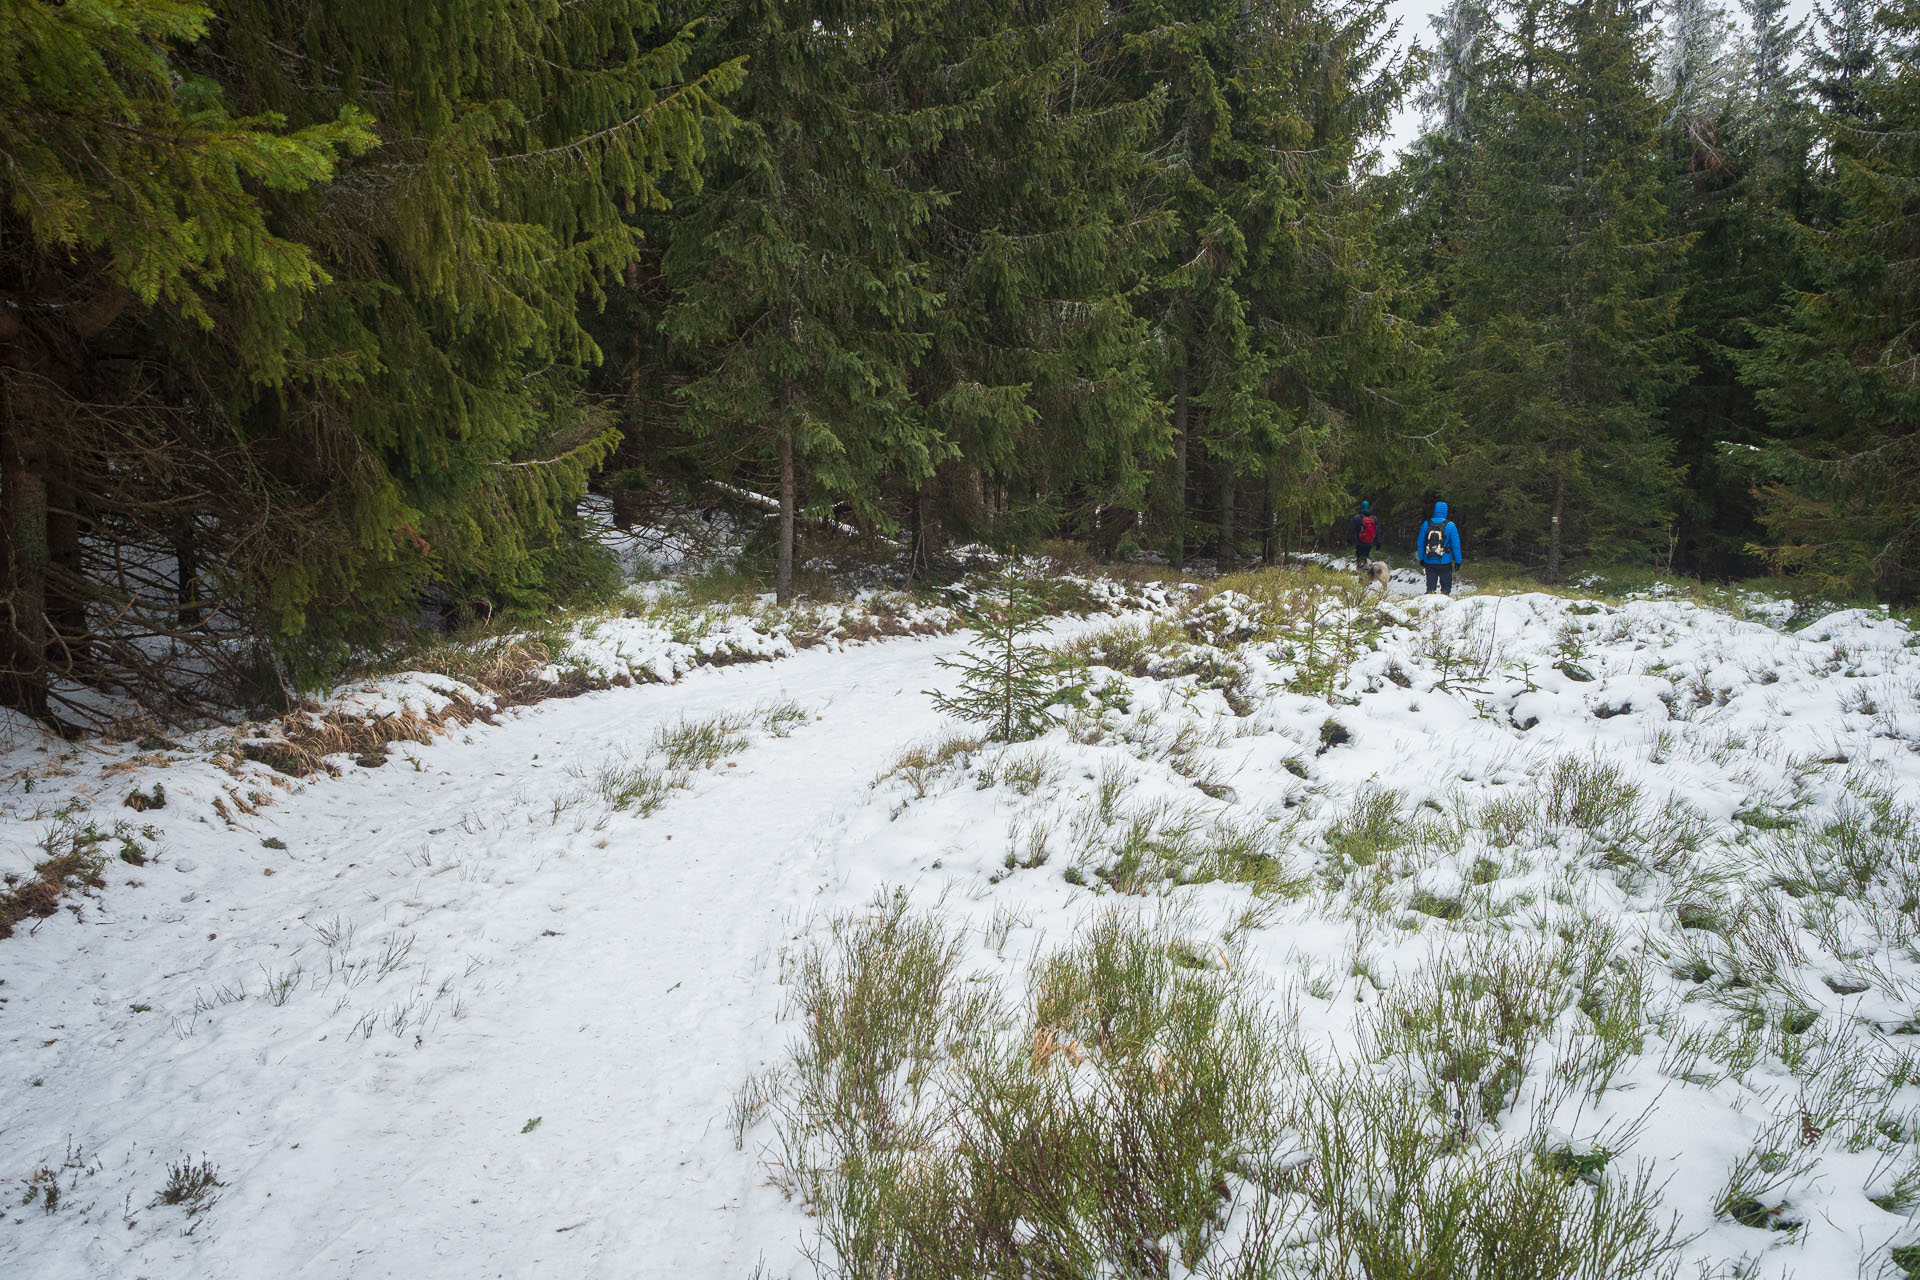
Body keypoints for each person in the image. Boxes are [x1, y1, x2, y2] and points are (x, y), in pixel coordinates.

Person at [1415, 500, 1462, 595]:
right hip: (1445, 562)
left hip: (1429, 560)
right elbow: (1456, 545)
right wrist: (1458, 561)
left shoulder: (1426, 524)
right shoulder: (1450, 525)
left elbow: (1420, 542)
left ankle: (1428, 605)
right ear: (1446, 511)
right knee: (1445, 589)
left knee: (1430, 589)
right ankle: (1444, 605)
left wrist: (1421, 558)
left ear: (1435, 510)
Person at [1347, 500, 1379, 569]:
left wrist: (1349, 539)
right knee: (1366, 558)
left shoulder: (1357, 518)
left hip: (1359, 543)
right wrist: (1378, 542)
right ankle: (1366, 574)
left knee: (1359, 559)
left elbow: (1351, 529)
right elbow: (1378, 531)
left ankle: (1361, 574)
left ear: (1361, 507)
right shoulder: (1374, 518)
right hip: (1369, 543)